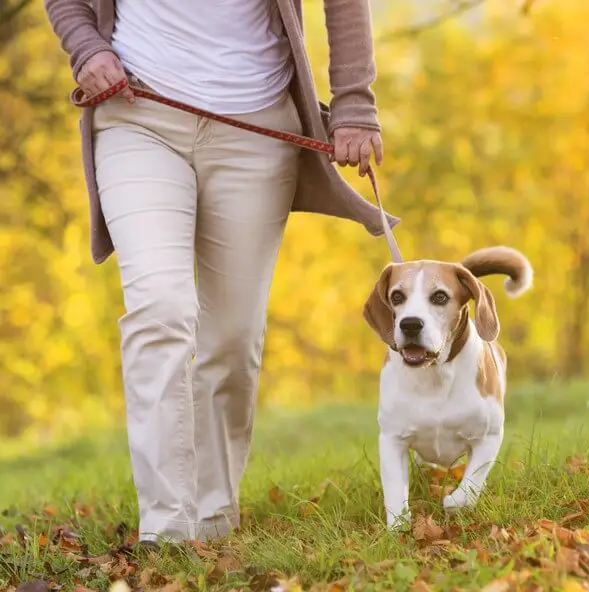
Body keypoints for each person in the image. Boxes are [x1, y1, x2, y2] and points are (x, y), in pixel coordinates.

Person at [44, 0, 399, 544]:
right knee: (160, 308)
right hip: (138, 112)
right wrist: (86, 46)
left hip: (255, 129)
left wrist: (353, 106)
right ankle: (166, 529)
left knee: (232, 339)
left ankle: (211, 520)